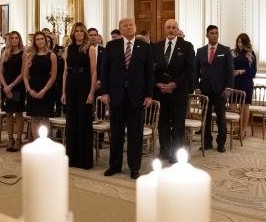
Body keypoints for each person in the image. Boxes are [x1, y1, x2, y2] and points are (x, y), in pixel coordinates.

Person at [99, 17, 155, 179]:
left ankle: (134, 167)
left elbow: (149, 74)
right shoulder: (111, 45)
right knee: (116, 133)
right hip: (116, 96)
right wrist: (104, 92)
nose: (128, 27)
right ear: (120, 28)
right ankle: (114, 165)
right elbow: (105, 71)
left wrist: (149, 95)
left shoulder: (145, 46)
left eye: (131, 25)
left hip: (137, 97)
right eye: (125, 25)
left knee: (135, 134)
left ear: (135, 27)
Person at [152, 19, 195, 162]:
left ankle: (176, 154)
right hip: (160, 93)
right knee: (162, 124)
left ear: (177, 30)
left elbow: (190, 71)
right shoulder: (156, 46)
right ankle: (164, 151)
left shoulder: (187, 46)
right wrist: (157, 84)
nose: (171, 30)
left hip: (178, 93)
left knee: (178, 125)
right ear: (164, 29)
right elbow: (151, 70)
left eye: (173, 27)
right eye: (168, 27)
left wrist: (174, 84)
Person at [62, 22, 98, 169]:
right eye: (76, 31)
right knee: (71, 122)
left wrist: (91, 92)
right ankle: (71, 159)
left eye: (80, 31)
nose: (78, 33)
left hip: (84, 85)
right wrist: (63, 92)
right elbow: (65, 71)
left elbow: (94, 72)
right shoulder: (68, 49)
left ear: (84, 33)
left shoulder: (90, 49)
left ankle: (84, 160)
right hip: (71, 85)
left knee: (83, 122)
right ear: (73, 33)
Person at [196, 25, 235, 152]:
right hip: (204, 90)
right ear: (207, 35)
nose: (214, 35)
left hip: (220, 90)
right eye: (211, 33)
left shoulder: (225, 50)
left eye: (216, 33)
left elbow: (230, 71)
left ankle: (221, 143)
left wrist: (228, 87)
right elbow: (195, 71)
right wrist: (196, 87)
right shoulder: (200, 51)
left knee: (220, 118)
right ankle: (207, 142)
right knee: (205, 118)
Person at [23, 32, 58, 139]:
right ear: (34, 41)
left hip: (47, 90)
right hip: (32, 89)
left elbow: (53, 76)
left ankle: (45, 143)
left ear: (45, 40)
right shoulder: (29, 56)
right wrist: (29, 90)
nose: (40, 41)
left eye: (41, 39)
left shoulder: (52, 55)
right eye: (37, 39)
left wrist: (44, 90)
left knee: (44, 118)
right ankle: (36, 143)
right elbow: (25, 75)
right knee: (34, 118)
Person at [0, 32, 26, 152]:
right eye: (12, 38)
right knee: (8, 113)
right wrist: (5, 86)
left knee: (18, 113)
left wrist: (11, 86)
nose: (14, 40)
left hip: (18, 86)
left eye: (16, 38)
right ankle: (10, 138)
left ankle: (19, 139)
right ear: (9, 39)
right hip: (6, 87)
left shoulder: (23, 53)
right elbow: (0, 71)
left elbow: (23, 72)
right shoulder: (5, 52)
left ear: (19, 40)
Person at [232, 33, 257, 139]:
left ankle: (242, 131)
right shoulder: (233, 53)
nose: (240, 44)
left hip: (246, 83)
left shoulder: (251, 54)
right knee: (232, 106)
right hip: (234, 83)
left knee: (244, 107)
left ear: (246, 43)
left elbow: (253, 72)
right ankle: (235, 128)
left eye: (242, 42)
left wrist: (241, 71)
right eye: (238, 41)